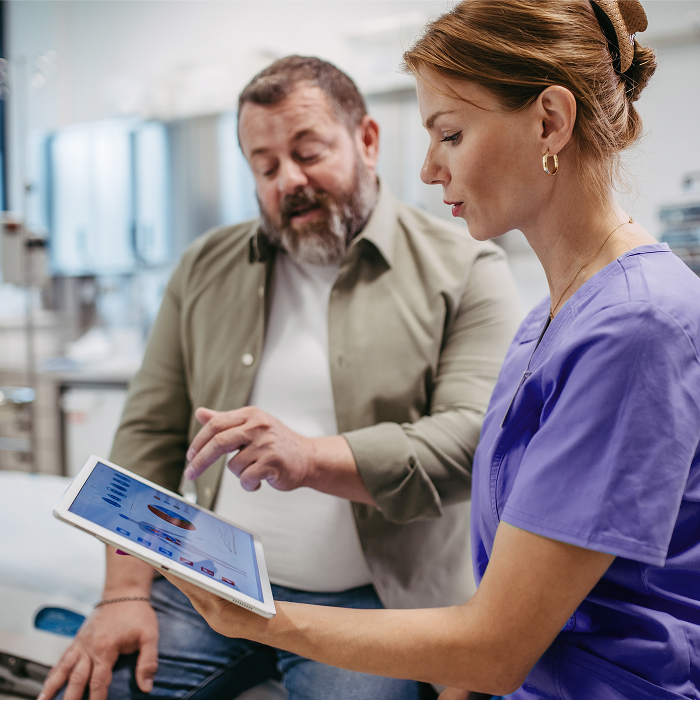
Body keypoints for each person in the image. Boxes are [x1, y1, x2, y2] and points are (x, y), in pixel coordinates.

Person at [80, 1, 700, 699]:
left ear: (550, 122)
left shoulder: (633, 325)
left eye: (450, 134)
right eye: (264, 163)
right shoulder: (552, 318)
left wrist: (268, 617)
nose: (432, 169)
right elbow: (515, 574)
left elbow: (497, 642)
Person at [40, 56, 521, 700]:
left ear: (367, 141)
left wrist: (310, 456)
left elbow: (472, 441)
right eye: (265, 167)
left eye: (308, 152)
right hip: (207, 587)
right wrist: (123, 592)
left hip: (372, 608)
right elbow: (148, 435)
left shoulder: (467, 268)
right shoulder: (204, 268)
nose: (288, 180)